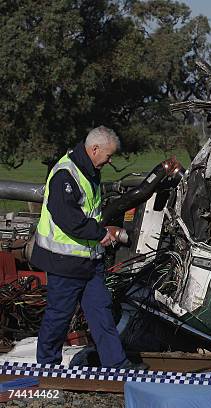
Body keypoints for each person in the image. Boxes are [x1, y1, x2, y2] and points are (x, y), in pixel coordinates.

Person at [32, 126, 143, 369]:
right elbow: (68, 219)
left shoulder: (89, 170)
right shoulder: (66, 174)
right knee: (59, 317)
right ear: (94, 149)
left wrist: (99, 235)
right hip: (64, 262)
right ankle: (47, 367)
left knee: (101, 313)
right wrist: (101, 233)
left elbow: (87, 213)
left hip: (89, 261)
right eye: (108, 155)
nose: (110, 160)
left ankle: (116, 365)